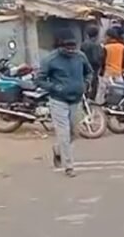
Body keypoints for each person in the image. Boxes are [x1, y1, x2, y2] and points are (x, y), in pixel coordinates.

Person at [36, 29, 94, 178]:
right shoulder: (50, 60)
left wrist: (86, 83)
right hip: (58, 100)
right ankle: (69, 166)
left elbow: (89, 72)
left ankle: (58, 150)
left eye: (73, 46)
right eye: (67, 46)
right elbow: (39, 79)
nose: (70, 49)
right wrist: (53, 87)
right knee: (63, 133)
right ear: (60, 46)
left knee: (73, 132)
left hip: (76, 99)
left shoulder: (80, 56)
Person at [100, 28, 124, 100]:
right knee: (119, 91)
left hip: (108, 72)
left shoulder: (106, 48)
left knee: (104, 91)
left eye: (105, 36)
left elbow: (102, 61)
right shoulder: (123, 47)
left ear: (109, 37)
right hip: (118, 72)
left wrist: (101, 72)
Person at [80, 25, 104, 101]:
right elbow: (100, 57)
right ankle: (90, 99)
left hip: (84, 67)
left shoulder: (83, 44)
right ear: (97, 35)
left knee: (85, 83)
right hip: (94, 67)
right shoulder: (98, 45)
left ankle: (84, 97)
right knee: (94, 83)